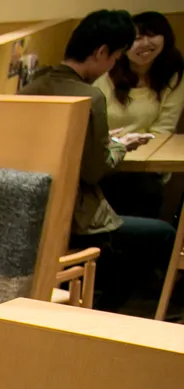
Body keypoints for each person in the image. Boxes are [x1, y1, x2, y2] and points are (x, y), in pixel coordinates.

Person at [21, 10, 176, 311]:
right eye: (116, 57)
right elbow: (94, 171)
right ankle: (106, 309)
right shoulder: (89, 97)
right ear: (102, 52)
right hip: (73, 217)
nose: (114, 65)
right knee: (163, 235)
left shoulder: (31, 87)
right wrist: (119, 146)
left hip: (33, 205)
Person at [98, 11, 184, 217]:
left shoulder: (174, 75)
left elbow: (164, 129)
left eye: (152, 35)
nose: (145, 43)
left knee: (144, 193)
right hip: (105, 162)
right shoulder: (105, 71)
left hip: (145, 170)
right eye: (137, 38)